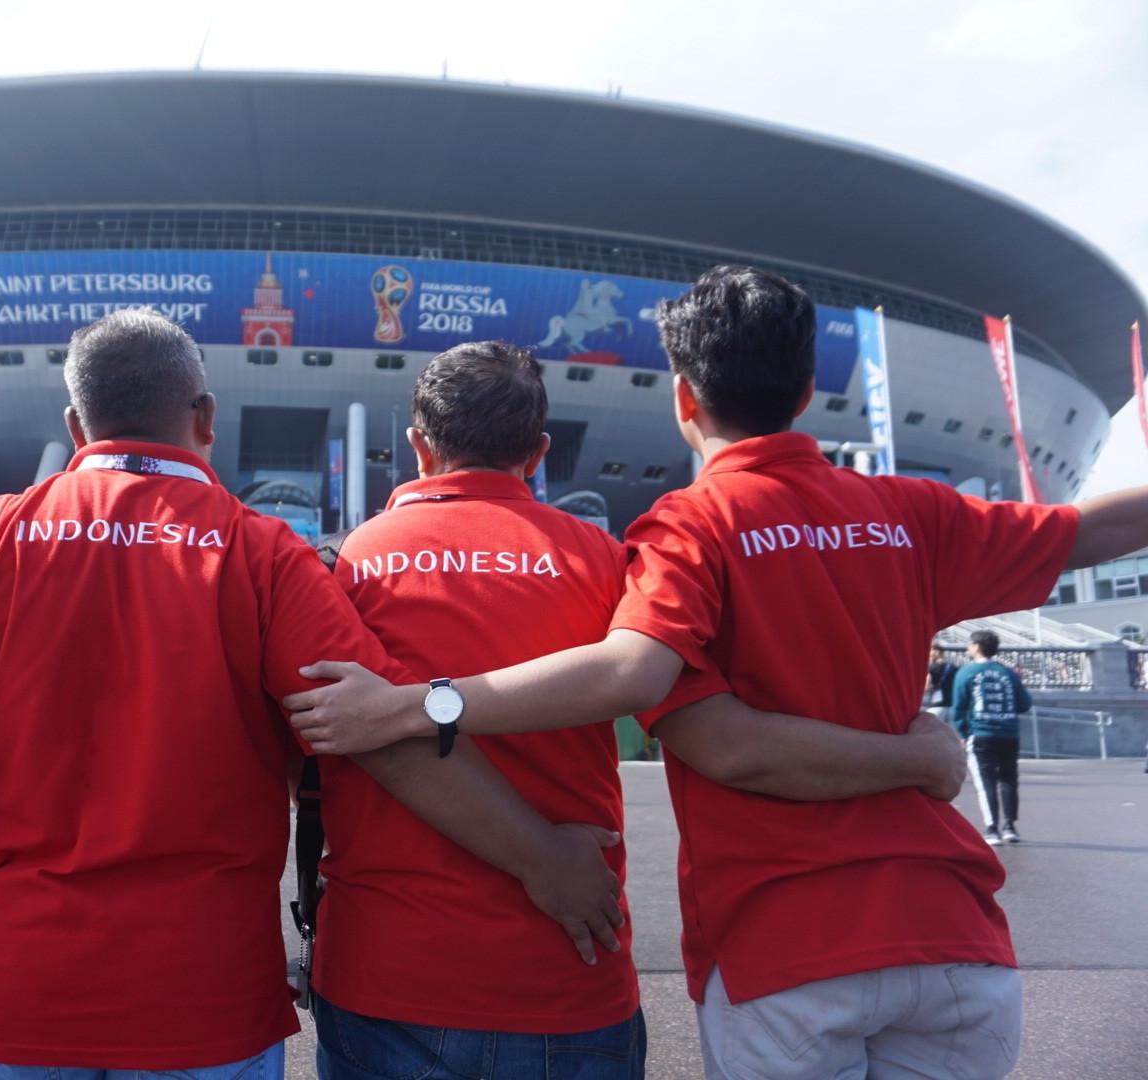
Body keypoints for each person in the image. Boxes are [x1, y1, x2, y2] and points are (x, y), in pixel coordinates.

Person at [0, 310, 626, 1078]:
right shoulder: (260, 551)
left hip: (18, 995)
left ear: (73, 426)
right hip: (201, 1002)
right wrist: (539, 858)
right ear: (204, 420)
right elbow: (373, 724)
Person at [285, 265, 1148, 1079]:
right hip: (935, 932)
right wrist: (922, 758)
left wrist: (417, 707)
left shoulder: (669, 537)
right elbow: (1092, 532)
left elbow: (700, 726)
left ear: (683, 396)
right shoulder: (877, 518)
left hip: (769, 951)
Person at [311, 341, 968, 1080]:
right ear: (539, 451)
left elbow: (356, 738)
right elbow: (715, 735)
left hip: (386, 971)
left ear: (418, 445)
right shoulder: (608, 561)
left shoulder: (341, 568)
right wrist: (920, 754)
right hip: (568, 968)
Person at [953, 630, 1032, 845]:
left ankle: (991, 829)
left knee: (985, 781)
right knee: (1008, 779)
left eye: (970, 644)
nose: (968, 648)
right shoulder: (1007, 673)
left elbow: (958, 707)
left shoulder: (966, 673)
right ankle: (1010, 826)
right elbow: (1025, 703)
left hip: (981, 734)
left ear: (977, 646)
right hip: (1009, 733)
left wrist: (962, 733)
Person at [927, 642, 959, 718]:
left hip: (937, 706)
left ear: (937, 652)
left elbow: (926, 688)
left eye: (930, 651)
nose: (929, 654)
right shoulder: (954, 668)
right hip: (952, 706)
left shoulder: (932, 668)